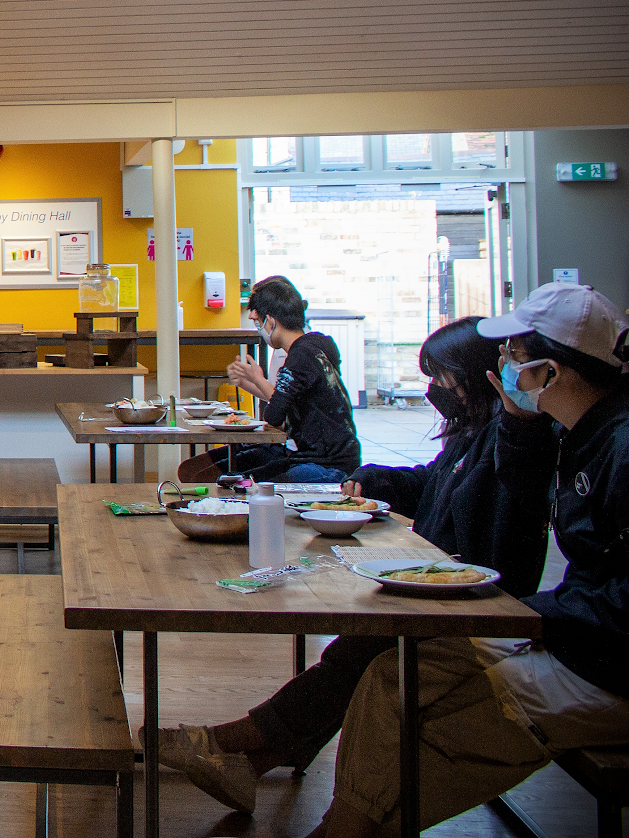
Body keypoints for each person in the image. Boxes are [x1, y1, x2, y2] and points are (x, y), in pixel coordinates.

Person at [153, 317, 557, 814]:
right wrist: (376, 480)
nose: (435, 389)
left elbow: (501, 543)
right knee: (357, 648)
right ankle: (251, 756)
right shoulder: (476, 431)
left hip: (470, 603)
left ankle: (240, 741)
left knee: (362, 649)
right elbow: (432, 482)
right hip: (436, 580)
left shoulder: (514, 440)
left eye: (442, 377)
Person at [306, 282, 629, 838]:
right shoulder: (576, 432)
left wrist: (536, 618)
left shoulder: (620, 447)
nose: (502, 367)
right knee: (390, 676)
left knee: (443, 736)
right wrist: (521, 421)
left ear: (552, 374)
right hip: (576, 639)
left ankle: (350, 829)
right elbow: (530, 499)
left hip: (608, 672)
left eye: (514, 359)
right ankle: (347, 825)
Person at [178, 277, 361, 483]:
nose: (258, 328)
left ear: (271, 321)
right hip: (310, 456)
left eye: (258, 322)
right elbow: (287, 401)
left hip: (328, 466)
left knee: (237, 485)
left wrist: (257, 378)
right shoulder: (314, 347)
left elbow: (273, 415)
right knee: (206, 474)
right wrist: (250, 382)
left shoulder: (300, 355)